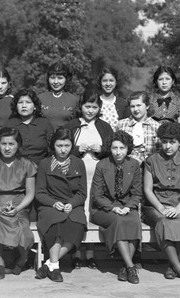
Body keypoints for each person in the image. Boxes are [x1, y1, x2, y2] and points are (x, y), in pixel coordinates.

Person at [142, 122, 180, 280]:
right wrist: (160, 207)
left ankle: (171, 265)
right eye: (164, 141)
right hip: (155, 203)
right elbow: (147, 190)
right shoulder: (151, 160)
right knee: (165, 222)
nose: (168, 146)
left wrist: (179, 208)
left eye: (172, 142)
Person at [64, 89, 113, 270]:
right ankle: (76, 253)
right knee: (78, 213)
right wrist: (78, 149)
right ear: (81, 106)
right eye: (87, 106)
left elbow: (112, 149)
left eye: (94, 107)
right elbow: (61, 148)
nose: (90, 110)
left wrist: (100, 149)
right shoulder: (72, 125)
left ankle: (91, 254)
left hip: (97, 178)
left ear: (99, 108)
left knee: (92, 212)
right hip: (75, 177)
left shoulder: (104, 126)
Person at [0, 127, 37, 279]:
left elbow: (30, 193)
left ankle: (22, 259)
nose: (7, 148)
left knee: (22, 225)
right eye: (3, 144)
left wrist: (18, 208)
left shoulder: (27, 164)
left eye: (11, 144)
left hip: (20, 203)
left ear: (18, 145)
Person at [35, 127, 87, 282]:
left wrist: (71, 203)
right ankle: (55, 267)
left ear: (72, 146)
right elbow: (40, 192)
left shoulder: (78, 163)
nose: (63, 150)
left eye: (67, 146)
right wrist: (53, 203)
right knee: (57, 225)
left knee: (76, 226)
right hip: (50, 205)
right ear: (53, 145)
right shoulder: (45, 164)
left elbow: (82, 193)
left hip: (72, 205)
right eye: (59, 146)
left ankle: (49, 264)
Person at [91, 130, 143, 284]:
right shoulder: (102, 165)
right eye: (114, 148)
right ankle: (131, 267)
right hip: (104, 209)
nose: (118, 152)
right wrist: (113, 208)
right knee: (119, 221)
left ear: (128, 149)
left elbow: (137, 193)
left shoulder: (134, 165)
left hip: (126, 206)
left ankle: (124, 266)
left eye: (122, 148)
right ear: (110, 148)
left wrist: (128, 207)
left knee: (134, 221)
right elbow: (97, 195)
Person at [4, 89, 54, 166]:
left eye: (28, 102)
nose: (24, 106)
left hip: (40, 166)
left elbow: (53, 148)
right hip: (14, 167)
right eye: (20, 102)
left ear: (35, 106)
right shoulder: (9, 124)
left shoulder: (44, 123)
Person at [117, 91, 161, 164]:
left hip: (149, 168)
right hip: (127, 168)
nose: (136, 109)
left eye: (138, 105)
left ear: (147, 106)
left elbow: (160, 151)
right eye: (132, 106)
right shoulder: (122, 124)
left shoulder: (156, 126)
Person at [38, 61, 78, 129]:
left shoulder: (73, 100)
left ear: (66, 79)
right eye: (52, 78)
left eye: (60, 78)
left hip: (64, 137)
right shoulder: (40, 98)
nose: (56, 82)